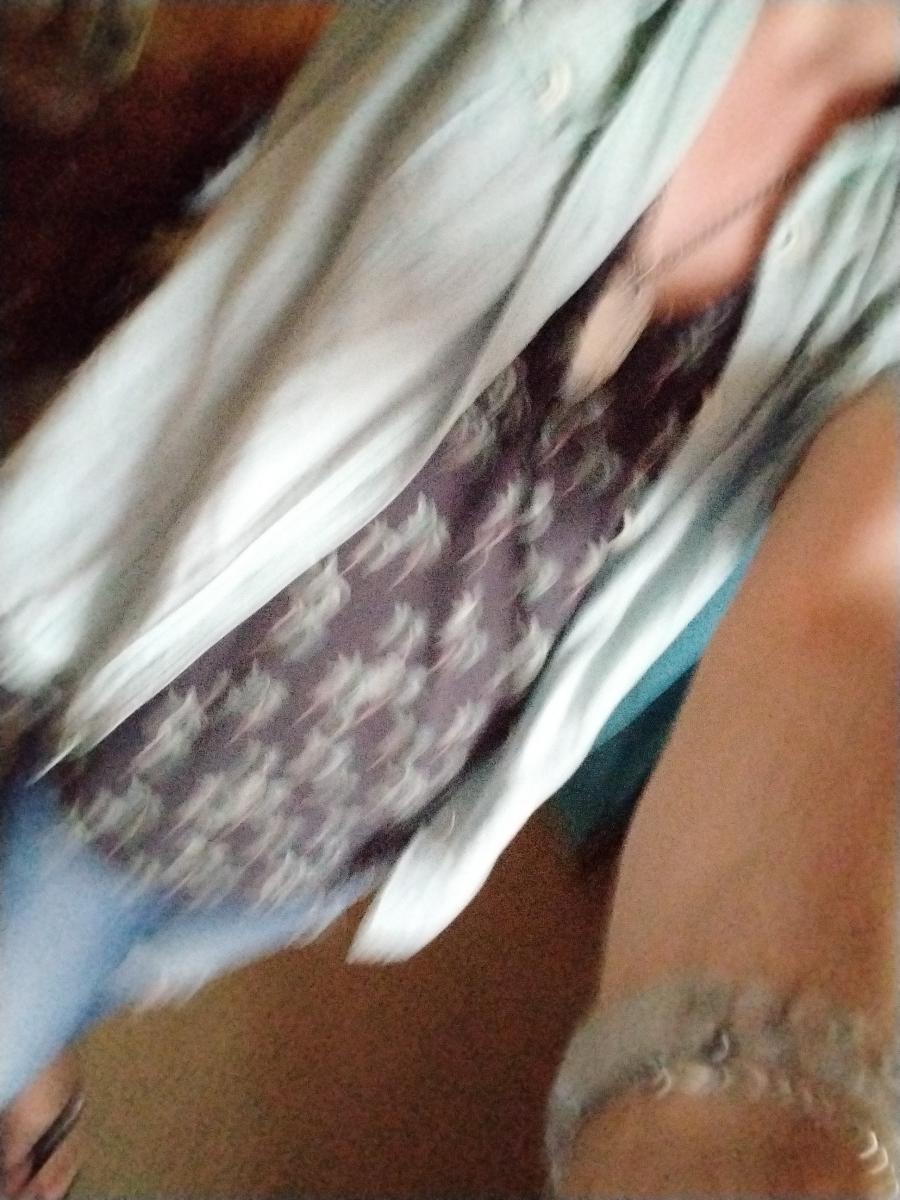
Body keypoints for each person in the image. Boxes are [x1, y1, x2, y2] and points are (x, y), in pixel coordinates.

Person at [1, 2, 898, 1196]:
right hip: (145, 736)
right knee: (60, 925)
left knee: (123, 965)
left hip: (358, 836)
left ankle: (41, 1047)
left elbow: (854, 605)